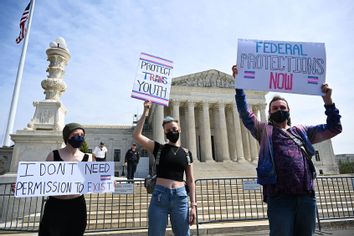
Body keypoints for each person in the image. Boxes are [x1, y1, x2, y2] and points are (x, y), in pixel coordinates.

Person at [232, 65, 342, 236]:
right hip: (279, 198)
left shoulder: (302, 131)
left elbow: (334, 128)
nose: (279, 110)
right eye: (275, 108)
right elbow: (245, 114)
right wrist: (239, 85)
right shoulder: (264, 131)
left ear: (289, 111)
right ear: (269, 113)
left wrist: (328, 100)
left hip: (305, 196)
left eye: (283, 108)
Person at [133, 101, 197, 236]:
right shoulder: (158, 148)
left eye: (174, 129)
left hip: (180, 197)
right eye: (168, 130)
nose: (171, 131)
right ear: (164, 133)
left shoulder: (186, 153)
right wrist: (146, 112)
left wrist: (193, 205)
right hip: (160, 196)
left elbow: (190, 180)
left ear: (179, 129)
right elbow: (137, 135)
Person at [38, 122, 94, 236]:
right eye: (75, 134)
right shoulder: (53, 155)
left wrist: (107, 180)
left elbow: (93, 179)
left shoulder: (88, 158)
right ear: (67, 136)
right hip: (55, 206)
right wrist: (20, 186)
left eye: (82, 135)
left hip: (77, 205)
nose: (79, 137)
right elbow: (40, 179)